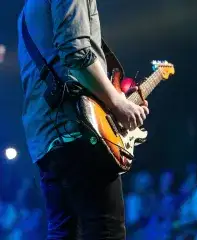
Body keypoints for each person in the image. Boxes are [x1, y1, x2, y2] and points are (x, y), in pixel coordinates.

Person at [17, 0, 149, 239]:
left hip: (47, 138)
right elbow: (76, 55)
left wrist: (119, 97)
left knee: (65, 233)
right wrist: (117, 103)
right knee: (105, 231)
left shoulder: (28, 8)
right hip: (80, 130)